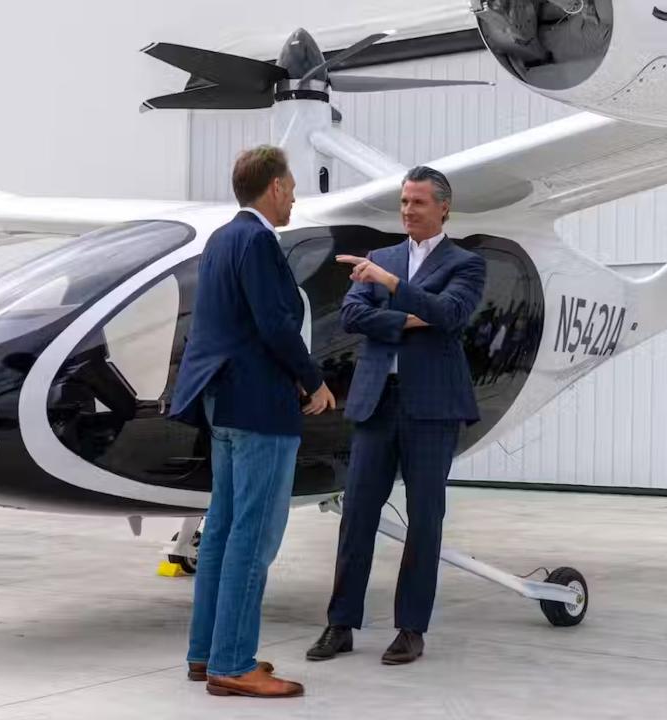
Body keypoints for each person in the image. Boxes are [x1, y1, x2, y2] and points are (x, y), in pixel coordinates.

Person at [170, 145, 336, 698]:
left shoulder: (219, 240)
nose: (294, 196)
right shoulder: (260, 241)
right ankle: (233, 664)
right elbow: (274, 323)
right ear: (273, 188)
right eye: (290, 187)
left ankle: (205, 654)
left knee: (220, 528)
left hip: (223, 402)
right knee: (254, 535)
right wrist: (313, 381)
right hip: (261, 404)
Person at [306, 165, 485, 666]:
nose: (407, 210)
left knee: (425, 520)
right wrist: (406, 318)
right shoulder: (381, 256)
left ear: (443, 207)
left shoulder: (465, 263)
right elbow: (351, 316)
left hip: (432, 408)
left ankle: (411, 628)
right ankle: (340, 624)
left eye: (418, 203)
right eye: (404, 201)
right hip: (376, 402)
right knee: (357, 516)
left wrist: (389, 285)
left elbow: (449, 315)